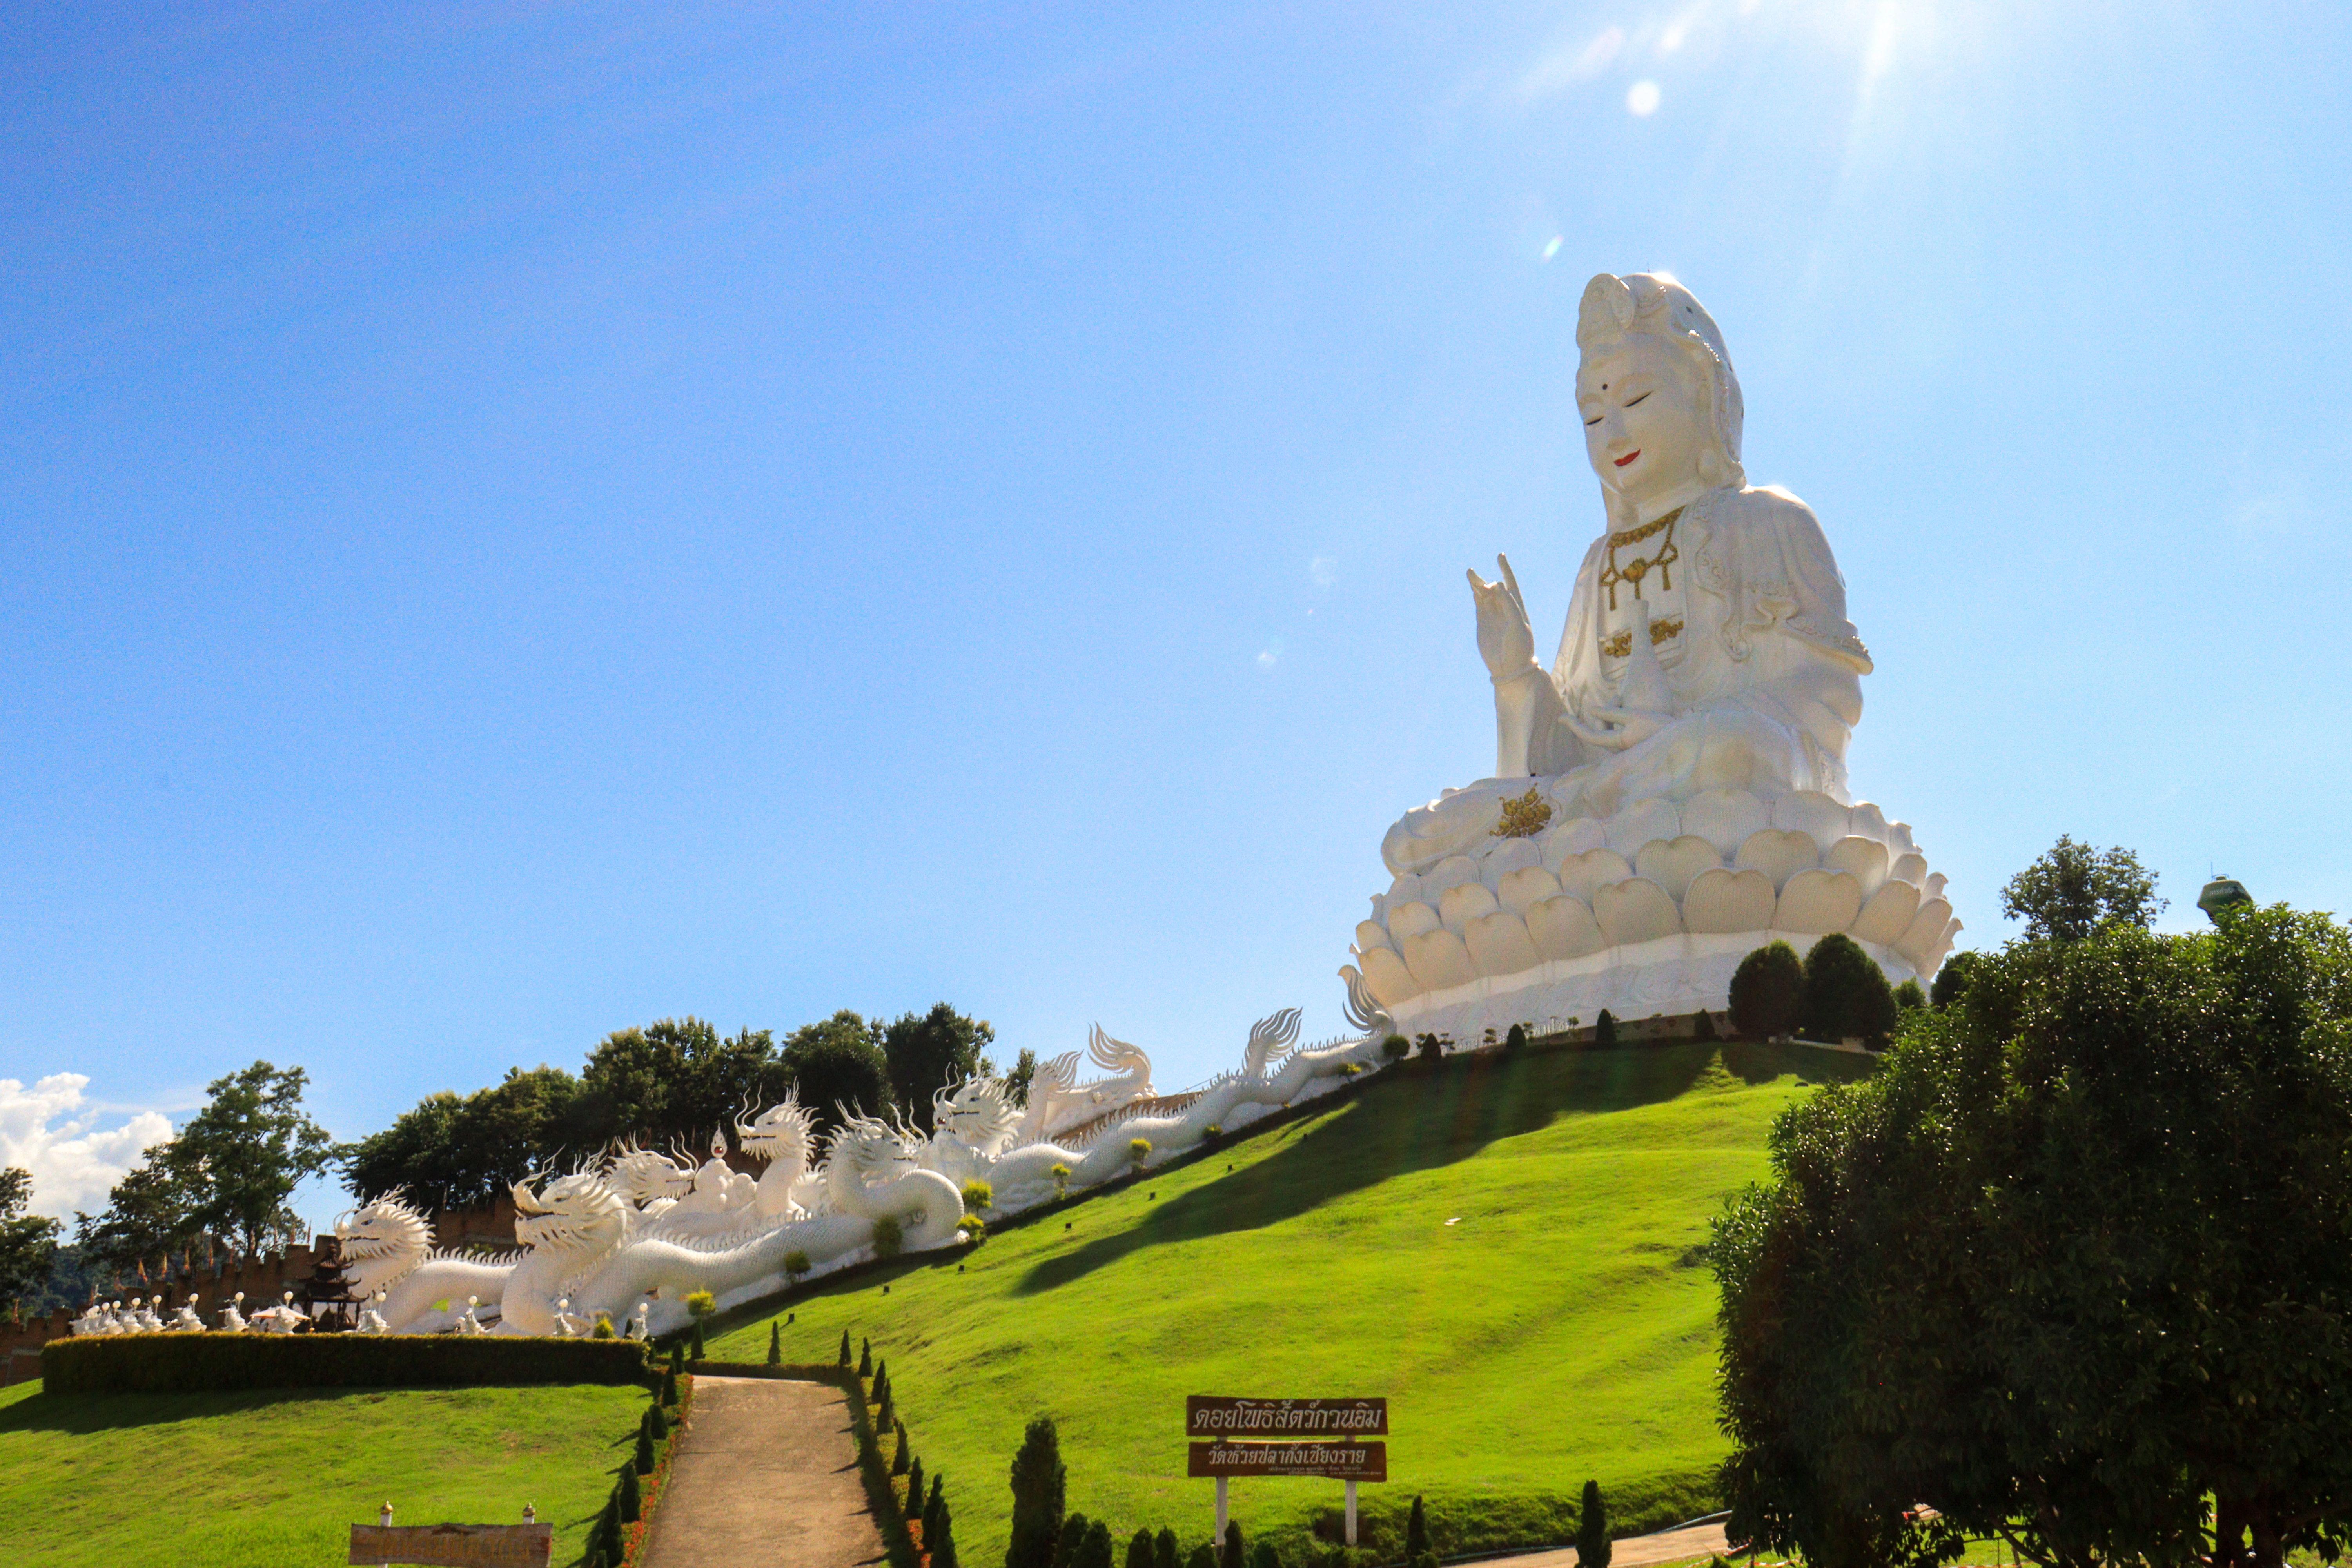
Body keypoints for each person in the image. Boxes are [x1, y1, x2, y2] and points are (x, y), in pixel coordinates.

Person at [1384, 272, 1871, 877]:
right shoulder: (1598, 567)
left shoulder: (1766, 521)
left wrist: (1675, 732)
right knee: (1411, 836)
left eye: (1636, 401)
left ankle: (1582, 816)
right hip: (1621, 803)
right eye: (1592, 417)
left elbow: (1828, 700)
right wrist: (1514, 677)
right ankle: (1584, 814)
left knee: (1738, 749)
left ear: (1703, 393)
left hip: (1730, 784)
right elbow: (1561, 752)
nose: (1613, 433)